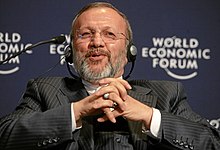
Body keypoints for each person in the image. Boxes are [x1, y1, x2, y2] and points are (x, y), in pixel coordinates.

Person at [0, 2, 219, 150]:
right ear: (71, 51)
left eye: (109, 34)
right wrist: (77, 111)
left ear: (128, 52)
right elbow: (5, 136)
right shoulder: (44, 90)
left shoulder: (167, 94)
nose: (97, 42)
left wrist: (149, 115)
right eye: (85, 34)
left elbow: (212, 142)